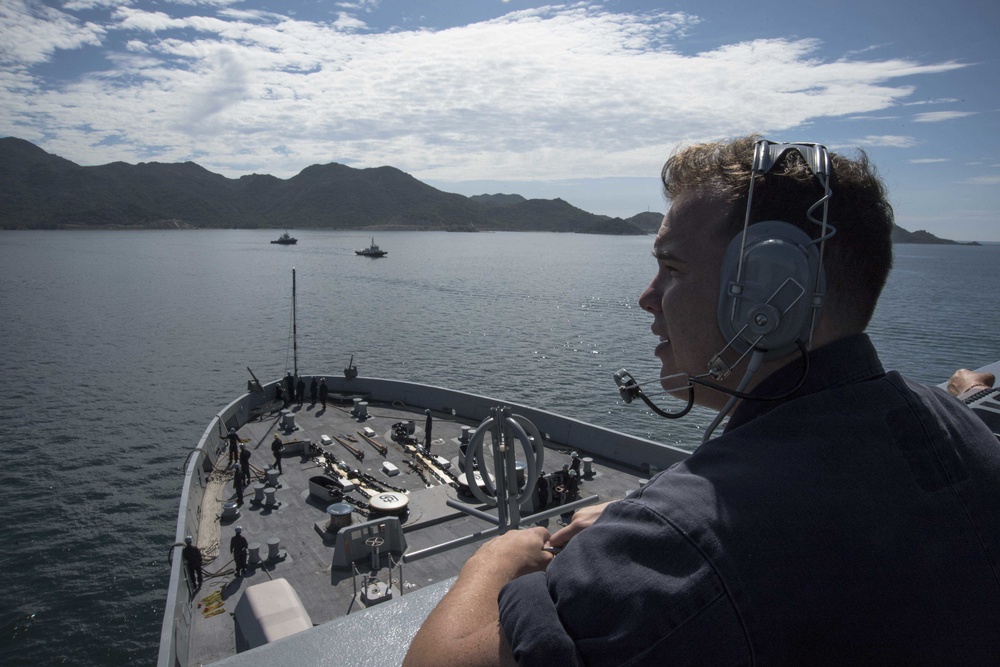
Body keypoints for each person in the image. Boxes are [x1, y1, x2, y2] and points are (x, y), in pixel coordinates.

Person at [404, 136, 1000, 666]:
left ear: (769, 292)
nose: (647, 297)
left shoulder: (679, 548)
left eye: (670, 268)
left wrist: (499, 558)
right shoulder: (961, 429)